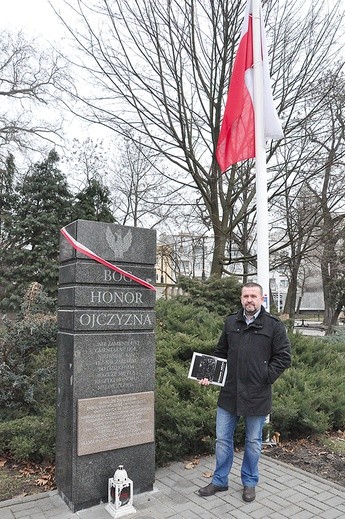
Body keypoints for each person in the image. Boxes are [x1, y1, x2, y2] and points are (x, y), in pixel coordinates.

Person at [198, 282, 291, 503]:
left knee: (253, 442)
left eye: (253, 296)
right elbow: (221, 351)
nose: (249, 300)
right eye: (245, 296)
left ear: (261, 298)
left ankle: (249, 482)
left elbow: (284, 357)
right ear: (241, 299)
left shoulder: (273, 326)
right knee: (222, 439)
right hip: (229, 392)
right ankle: (220, 480)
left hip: (257, 395)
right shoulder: (231, 321)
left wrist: (265, 376)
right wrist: (208, 374)